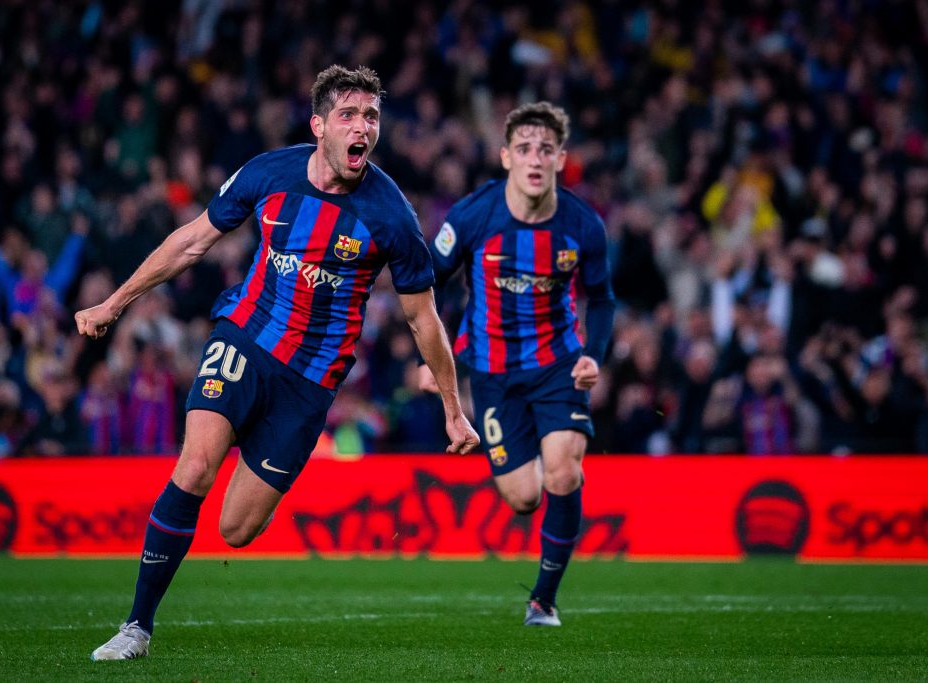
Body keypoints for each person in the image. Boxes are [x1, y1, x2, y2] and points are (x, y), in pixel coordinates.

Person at [76, 65, 479, 660]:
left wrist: (453, 409)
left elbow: (424, 319)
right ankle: (136, 627)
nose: (361, 125)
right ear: (319, 125)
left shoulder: (391, 215)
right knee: (195, 465)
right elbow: (191, 241)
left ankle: (228, 503)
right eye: (348, 114)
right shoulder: (269, 173)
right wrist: (113, 303)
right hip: (244, 340)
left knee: (235, 530)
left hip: (310, 383)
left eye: (370, 116)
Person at [417, 101, 615, 626]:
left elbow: (604, 298)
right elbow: (427, 282)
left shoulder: (582, 226)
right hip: (493, 373)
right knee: (524, 498)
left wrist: (594, 354)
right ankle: (538, 502)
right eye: (524, 148)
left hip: (558, 366)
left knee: (564, 470)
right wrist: (433, 360)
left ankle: (543, 600)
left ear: (560, 159)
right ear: (506, 157)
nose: (535, 158)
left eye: (545, 149)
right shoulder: (471, 216)